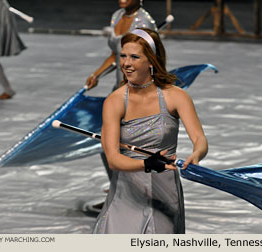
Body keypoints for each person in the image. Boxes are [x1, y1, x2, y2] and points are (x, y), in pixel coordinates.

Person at [92, 28, 208, 234]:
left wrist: (197, 154)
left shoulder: (176, 97)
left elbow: (199, 138)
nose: (126, 63)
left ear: (151, 61)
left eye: (134, 57)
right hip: (127, 193)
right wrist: (146, 163)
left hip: (166, 193)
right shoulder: (115, 101)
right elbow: (112, 159)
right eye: (123, 56)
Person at [83, 0, 157, 213]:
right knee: (106, 143)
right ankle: (122, 192)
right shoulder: (117, 16)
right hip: (119, 91)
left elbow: (151, 61)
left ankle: (134, 197)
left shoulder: (145, 22)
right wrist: (96, 74)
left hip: (138, 93)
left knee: (128, 145)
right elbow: (116, 54)